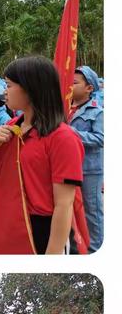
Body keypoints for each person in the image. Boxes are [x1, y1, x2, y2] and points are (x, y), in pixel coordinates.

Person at [0, 56, 84, 254]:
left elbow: (64, 205)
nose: (4, 92)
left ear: (30, 87)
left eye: (8, 85)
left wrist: (51, 258)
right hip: (11, 222)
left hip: (45, 227)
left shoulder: (63, 138)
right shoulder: (10, 128)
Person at [68, 66, 104, 253]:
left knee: (91, 211)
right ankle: (76, 248)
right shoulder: (64, 108)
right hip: (69, 168)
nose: (70, 86)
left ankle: (94, 249)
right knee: (72, 210)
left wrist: (72, 133)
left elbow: (101, 138)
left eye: (74, 83)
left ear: (89, 88)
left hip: (89, 169)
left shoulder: (97, 112)